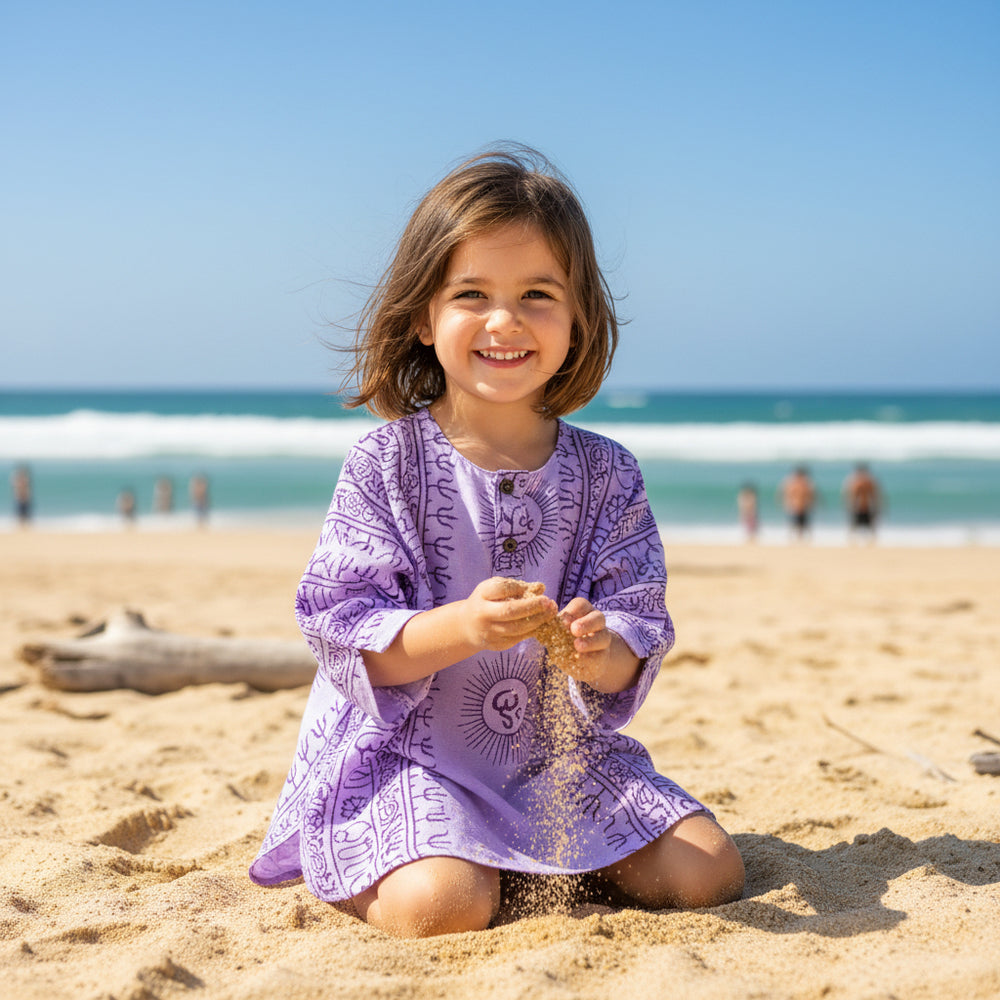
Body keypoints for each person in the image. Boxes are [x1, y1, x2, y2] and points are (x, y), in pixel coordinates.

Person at [248, 147, 744, 937]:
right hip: (414, 755)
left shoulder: (608, 474)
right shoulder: (387, 464)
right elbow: (343, 628)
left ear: (578, 316)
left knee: (707, 872)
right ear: (423, 315)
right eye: (471, 294)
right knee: (445, 907)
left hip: (555, 756)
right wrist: (463, 627)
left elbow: (637, 626)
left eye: (537, 295)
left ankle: (518, 855)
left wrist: (597, 650)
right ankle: (367, 858)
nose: (505, 321)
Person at [842, 462, 882, 542]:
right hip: (865, 507)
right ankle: (870, 541)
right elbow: (875, 496)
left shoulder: (856, 482)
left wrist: (849, 506)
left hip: (860, 507)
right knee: (867, 526)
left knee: (857, 526)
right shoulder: (869, 482)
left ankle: (853, 541)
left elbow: (851, 496)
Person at [779, 465, 817, 540]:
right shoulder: (792, 483)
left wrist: (811, 503)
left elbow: (811, 495)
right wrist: (787, 503)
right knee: (794, 525)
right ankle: (793, 539)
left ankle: (803, 539)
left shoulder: (806, 483)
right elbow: (785, 493)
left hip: (803, 507)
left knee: (804, 525)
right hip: (795, 507)